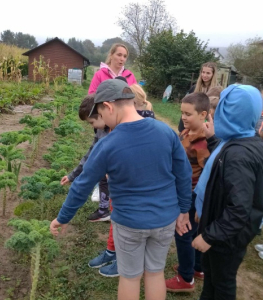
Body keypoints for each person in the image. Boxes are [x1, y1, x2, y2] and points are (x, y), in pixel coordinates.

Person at [50, 79, 193, 300]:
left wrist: (63, 217)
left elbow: (82, 184)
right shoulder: (165, 131)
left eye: (101, 113)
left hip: (129, 223)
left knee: (130, 277)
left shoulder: (107, 144)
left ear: (108, 106)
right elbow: (183, 174)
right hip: (164, 220)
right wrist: (183, 210)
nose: (104, 121)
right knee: (154, 273)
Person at [192, 84, 263, 300]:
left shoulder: (239, 155)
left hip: (224, 237)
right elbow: (221, 171)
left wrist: (209, 235)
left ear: (228, 111)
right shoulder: (241, 141)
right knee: (212, 280)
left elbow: (239, 208)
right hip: (223, 230)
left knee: (222, 283)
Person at [88, 83, 155, 278]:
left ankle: (123, 261)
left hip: (134, 196)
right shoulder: (115, 129)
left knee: (129, 230)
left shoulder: (148, 129)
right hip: (119, 191)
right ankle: (112, 251)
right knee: (115, 220)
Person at [86, 43, 137, 220]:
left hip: (124, 126)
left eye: (125, 56)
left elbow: (135, 97)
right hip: (106, 124)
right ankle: (103, 206)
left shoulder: (130, 76)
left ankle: (118, 205)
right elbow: (92, 95)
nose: (122, 59)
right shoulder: (101, 74)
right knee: (104, 163)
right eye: (119, 55)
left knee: (121, 164)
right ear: (112, 55)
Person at [166, 93, 210, 293]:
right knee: (194, 230)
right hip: (185, 190)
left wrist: (200, 201)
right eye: (182, 112)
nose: (183, 117)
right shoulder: (186, 132)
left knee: (183, 233)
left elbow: (208, 174)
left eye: (188, 114)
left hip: (191, 194)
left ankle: (186, 278)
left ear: (203, 115)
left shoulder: (203, 144)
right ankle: (197, 268)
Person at [60, 94, 111, 222]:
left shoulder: (115, 132)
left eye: (92, 122)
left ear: (101, 114)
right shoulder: (100, 131)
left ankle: (106, 210)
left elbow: (87, 177)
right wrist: (73, 175)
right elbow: (91, 153)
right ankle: (104, 210)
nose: (93, 126)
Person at [178, 62, 222, 133]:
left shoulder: (218, 91)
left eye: (208, 73)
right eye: (203, 72)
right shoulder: (194, 88)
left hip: (208, 123)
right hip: (192, 122)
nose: (204, 75)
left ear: (213, 74)